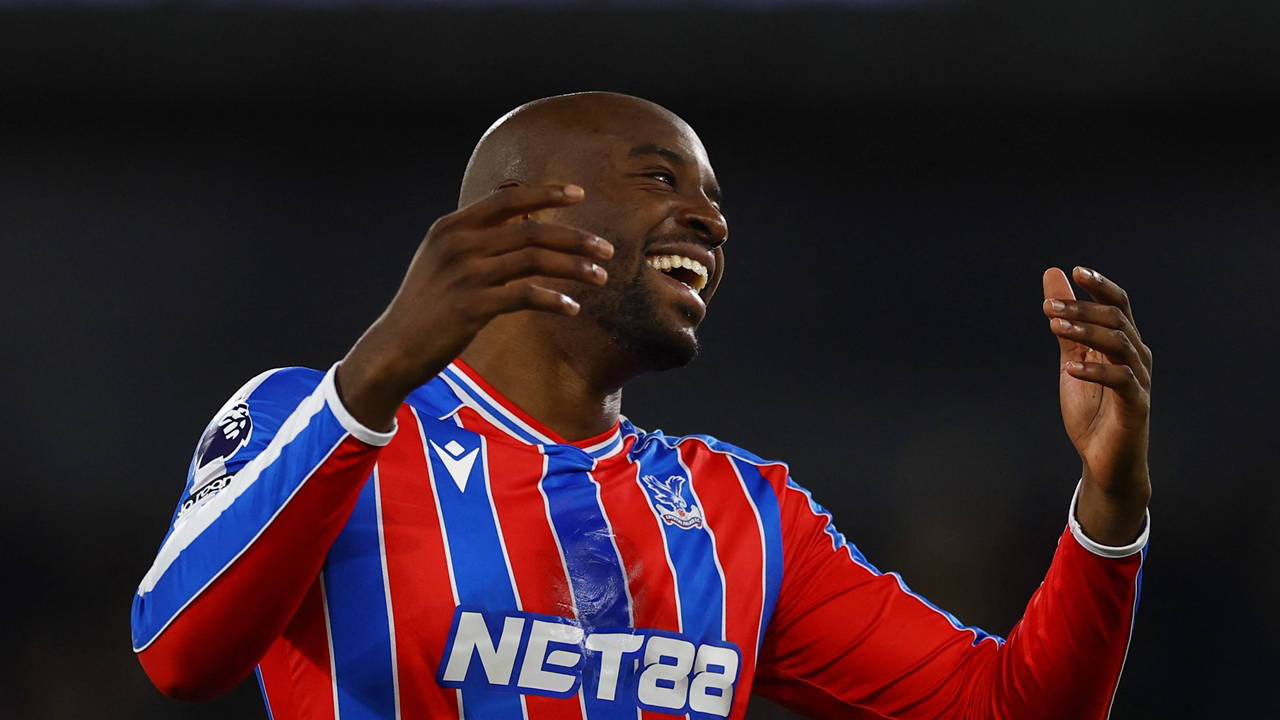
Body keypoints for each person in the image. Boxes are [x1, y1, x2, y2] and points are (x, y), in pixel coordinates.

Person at [130, 92, 1153, 719]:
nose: (709, 220)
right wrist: (377, 372)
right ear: (520, 215)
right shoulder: (321, 420)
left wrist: (1110, 504)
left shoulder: (743, 514)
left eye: (714, 200)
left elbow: (1001, 708)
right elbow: (178, 658)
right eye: (661, 178)